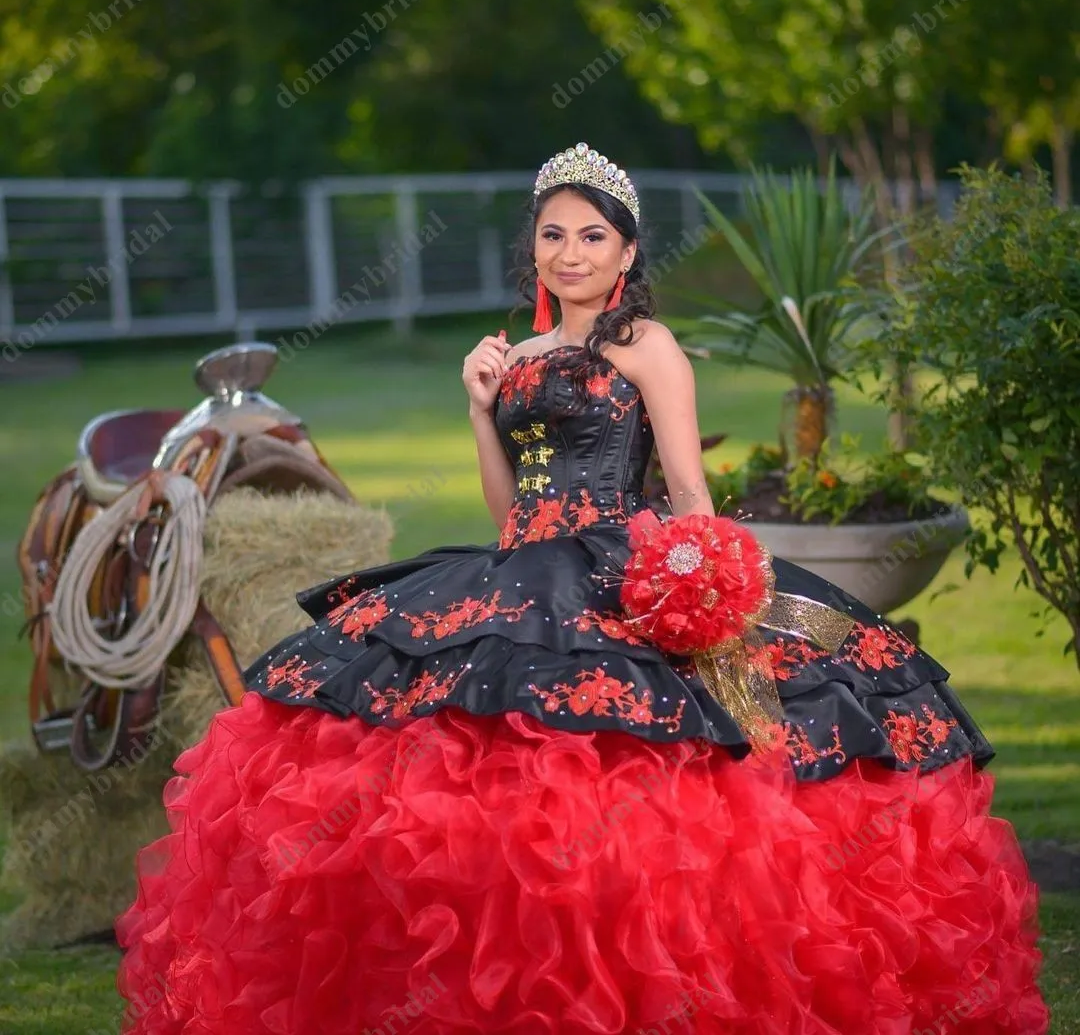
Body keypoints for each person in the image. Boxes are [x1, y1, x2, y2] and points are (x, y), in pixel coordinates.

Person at [115, 142, 1049, 1034]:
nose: (570, 253)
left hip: (624, 563)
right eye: (554, 234)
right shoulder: (514, 359)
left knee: (650, 762)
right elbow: (505, 506)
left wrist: (708, 592)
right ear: (532, 246)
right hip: (523, 563)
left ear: (628, 250)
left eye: (592, 236)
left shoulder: (646, 342)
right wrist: (479, 406)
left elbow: (689, 492)